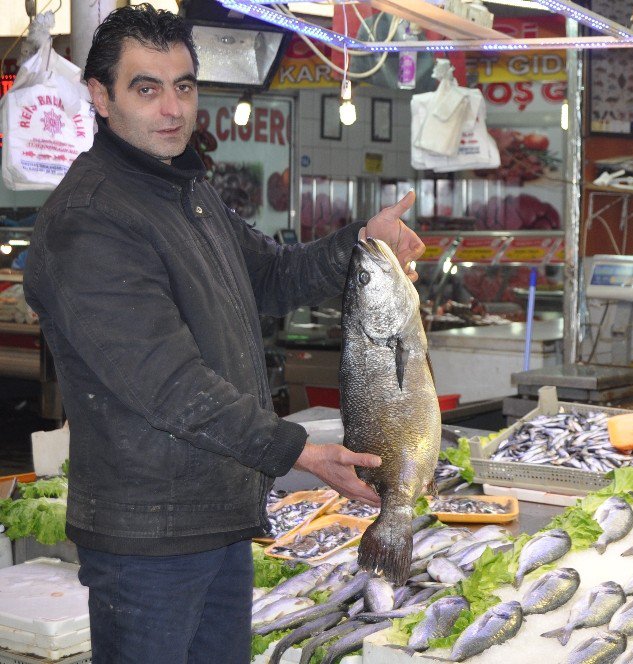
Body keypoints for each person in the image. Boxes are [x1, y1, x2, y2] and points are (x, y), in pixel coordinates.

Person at [23, 5, 424, 663]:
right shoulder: (90, 222)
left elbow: (271, 274)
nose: (171, 107)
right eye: (145, 88)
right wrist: (294, 448)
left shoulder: (189, 195)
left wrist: (360, 243)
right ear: (99, 96)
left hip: (217, 518)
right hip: (150, 540)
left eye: (183, 85)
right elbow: (167, 383)